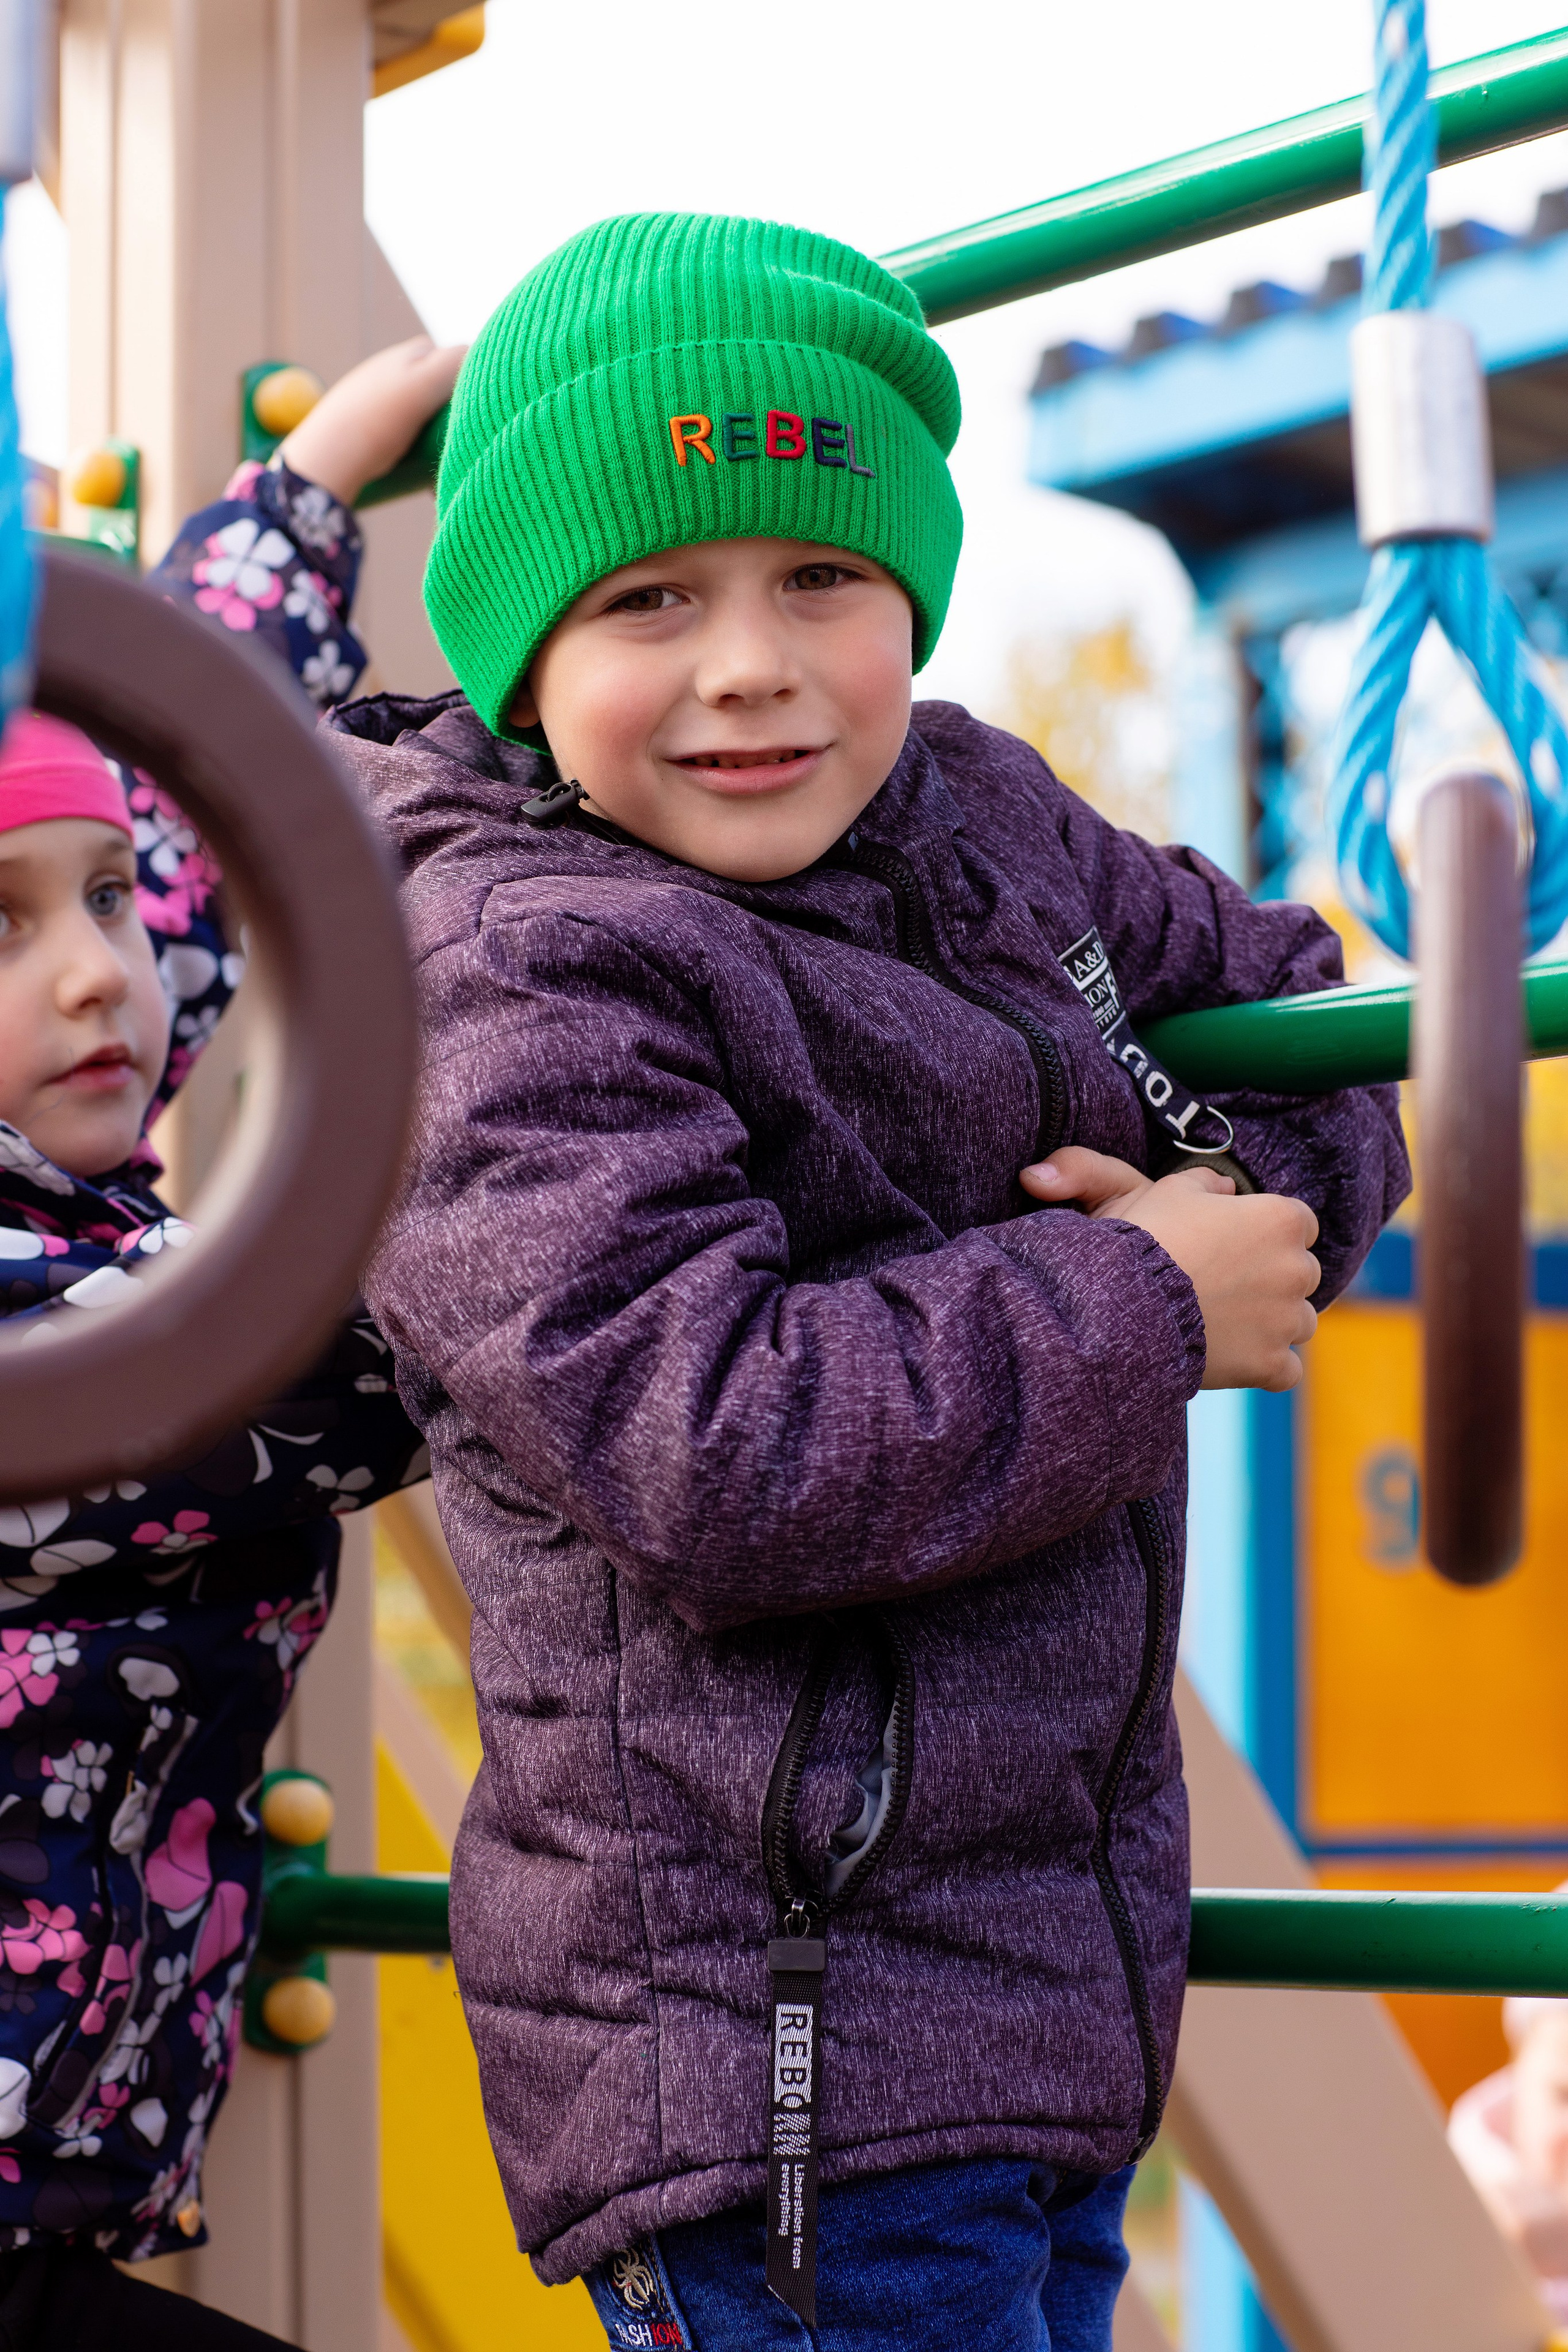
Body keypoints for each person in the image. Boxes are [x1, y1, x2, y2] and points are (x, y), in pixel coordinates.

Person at [313, 214, 1408, 2352]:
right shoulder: (514, 969)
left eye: (823, 576)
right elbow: (713, 1443)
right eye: (650, 600)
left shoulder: (978, 814)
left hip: (1040, 2000)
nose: (752, 663)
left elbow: (1286, 1000)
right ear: (520, 645)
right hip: (774, 2052)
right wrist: (1148, 1305)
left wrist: (1226, 1199)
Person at [0, 335, 462, 2350]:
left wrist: (310, 494)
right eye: (0, 923)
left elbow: (206, 815)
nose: (103, 967)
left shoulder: (67, 1067)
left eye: (98, 896)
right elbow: (337, 1363)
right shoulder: (54, 1331)